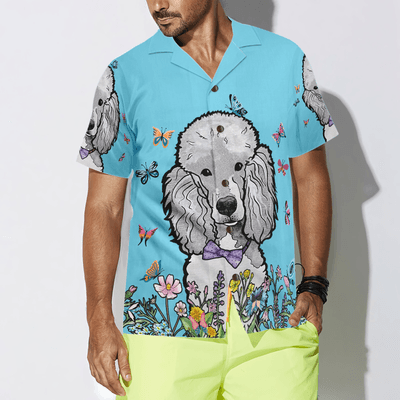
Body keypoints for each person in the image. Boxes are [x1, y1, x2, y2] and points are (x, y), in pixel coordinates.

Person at [77, 1, 338, 399]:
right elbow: (104, 207)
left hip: (277, 324)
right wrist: (98, 318)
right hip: (165, 331)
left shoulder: (286, 61)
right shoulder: (125, 76)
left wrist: (315, 284)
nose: (158, 4)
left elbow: (311, 176)